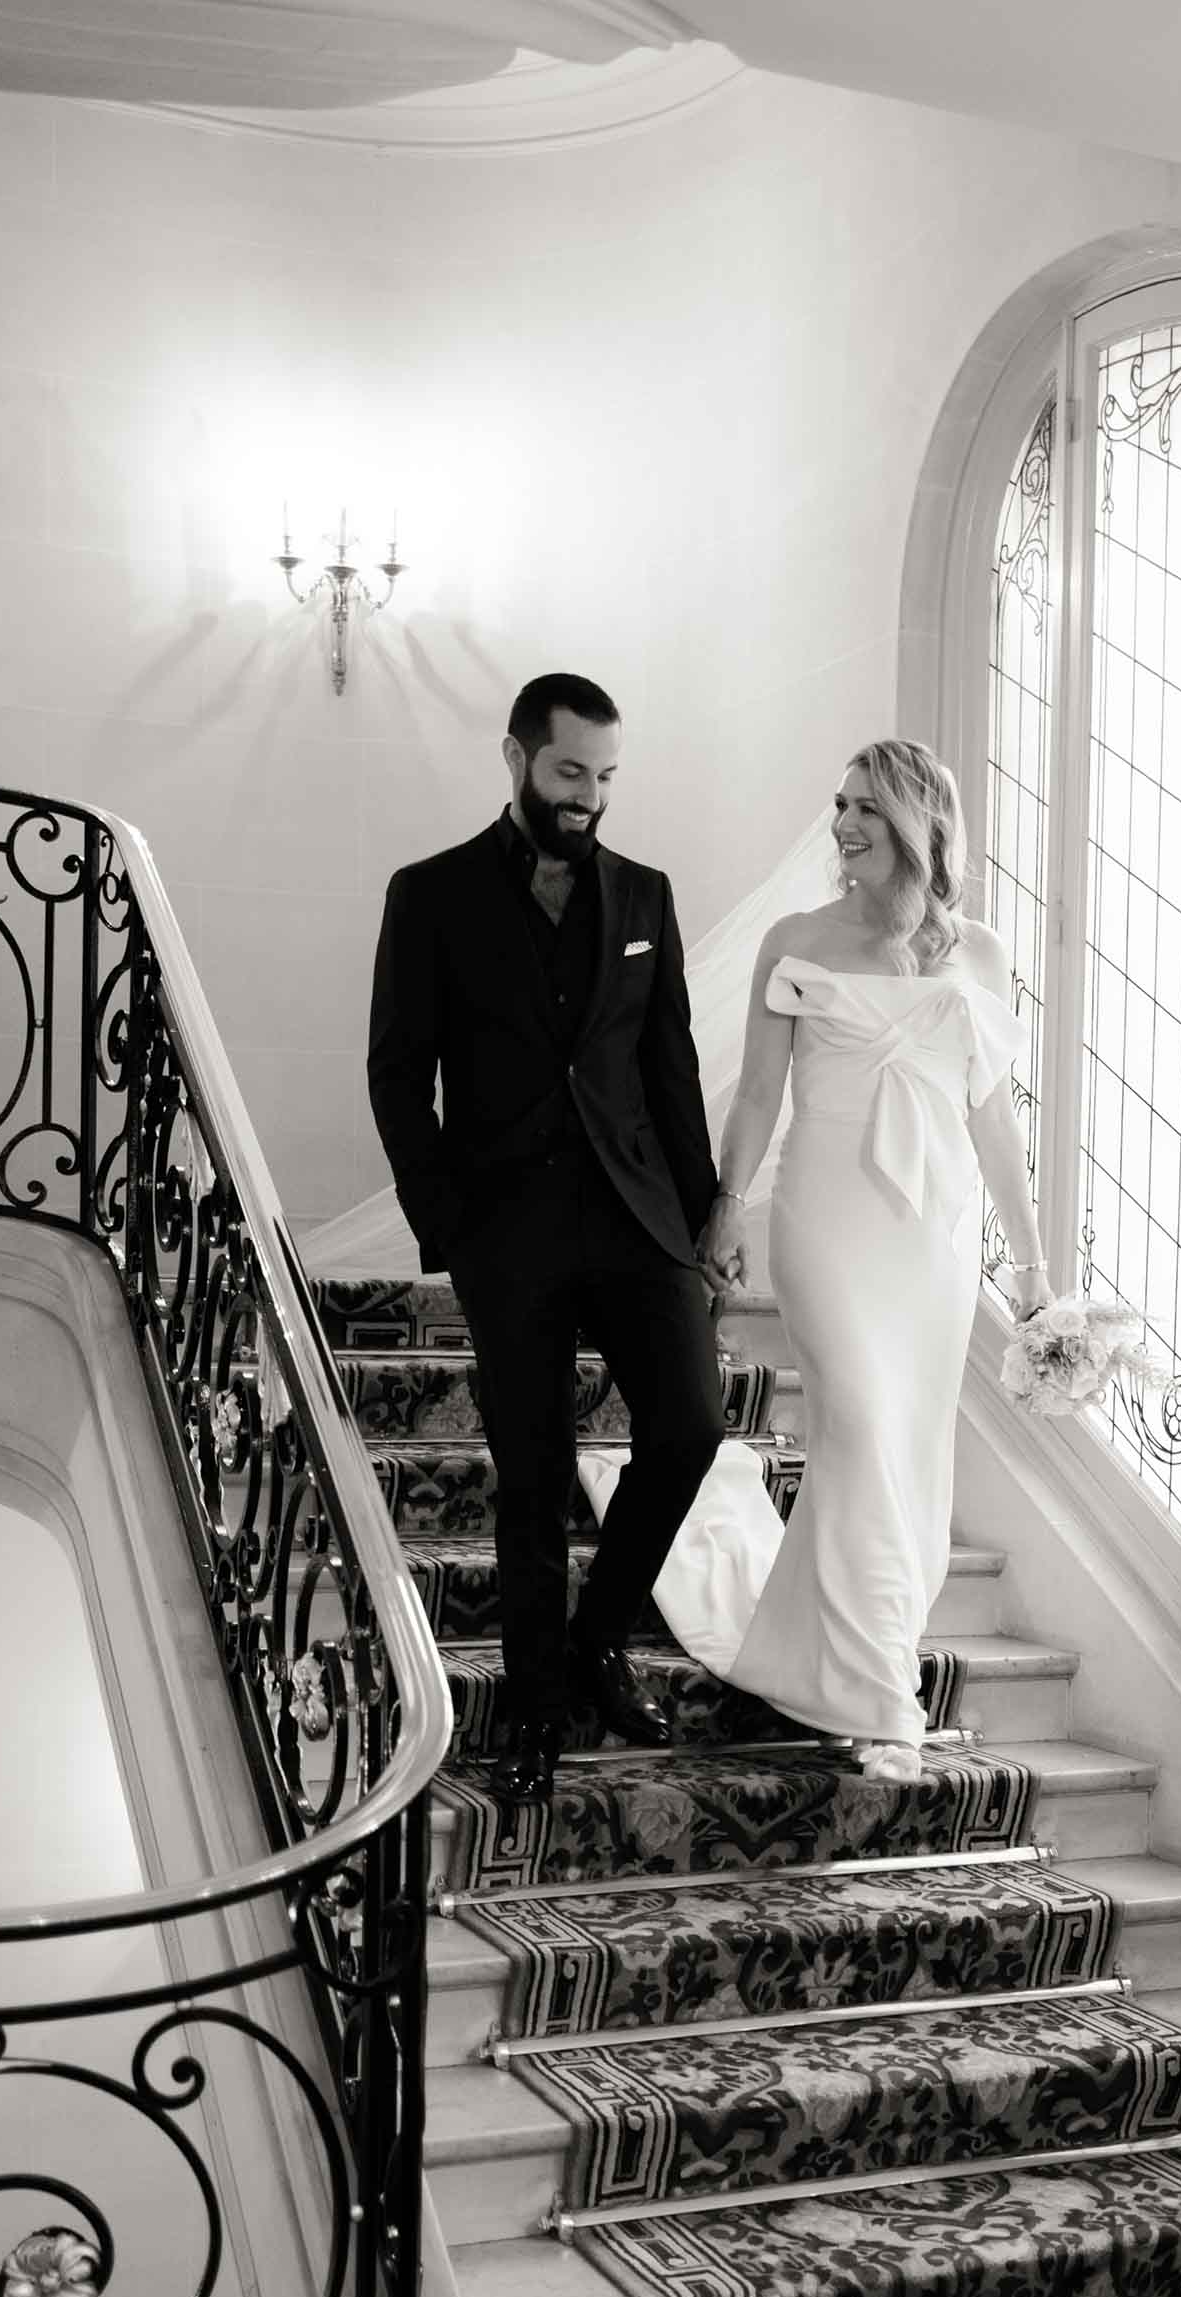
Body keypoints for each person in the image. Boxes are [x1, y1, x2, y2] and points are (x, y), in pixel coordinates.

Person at [366, 672, 724, 1803]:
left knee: (689, 1429)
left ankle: (594, 1643)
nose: (590, 798)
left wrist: (705, 1211)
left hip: (635, 1216)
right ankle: (533, 1709)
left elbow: (670, 1067)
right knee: (531, 1474)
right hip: (505, 1230)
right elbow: (393, 1075)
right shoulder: (429, 894)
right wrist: (448, 1227)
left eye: (607, 777)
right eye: (571, 773)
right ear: (516, 758)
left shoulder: (647, 896)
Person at [693, 738, 1052, 1777]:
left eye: (866, 809)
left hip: (929, 1239)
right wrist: (727, 1208)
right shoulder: (794, 939)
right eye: (839, 804)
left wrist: (1029, 1267)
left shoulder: (977, 954)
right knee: (853, 1422)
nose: (843, 825)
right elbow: (759, 1094)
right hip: (825, 1218)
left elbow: (992, 1119)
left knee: (907, 1449)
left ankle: (833, 1654)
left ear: (917, 828)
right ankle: (881, 1698)